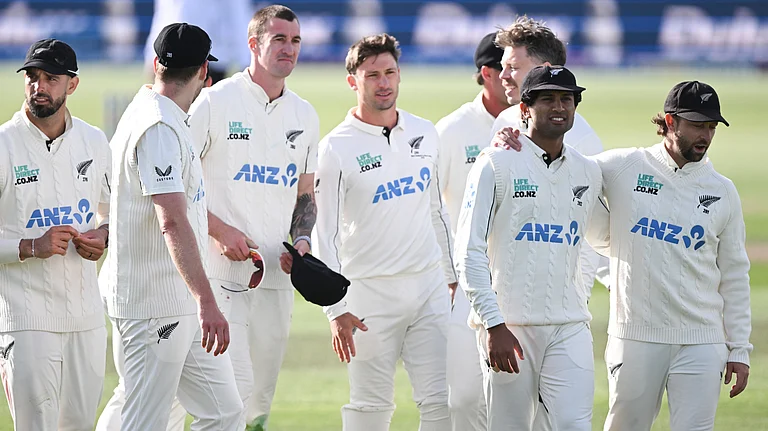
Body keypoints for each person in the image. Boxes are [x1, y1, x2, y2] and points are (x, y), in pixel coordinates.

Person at [585, 81, 752, 431]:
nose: (705, 136)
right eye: (697, 125)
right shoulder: (625, 166)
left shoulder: (722, 191)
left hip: (702, 340)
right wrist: (517, 143)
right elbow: (566, 170)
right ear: (670, 121)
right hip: (635, 336)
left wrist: (739, 348)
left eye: (711, 126)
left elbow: (735, 275)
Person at [100, 22, 242, 430]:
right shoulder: (158, 125)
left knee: (224, 412)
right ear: (204, 72)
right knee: (145, 421)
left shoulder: (157, 113)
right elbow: (173, 221)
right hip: (153, 305)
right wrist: (207, 300)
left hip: (179, 301)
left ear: (156, 62)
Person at [314, 33, 456, 431]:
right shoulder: (335, 147)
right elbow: (326, 235)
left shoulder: (425, 132)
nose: (384, 83)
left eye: (390, 73)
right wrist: (335, 309)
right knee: (370, 407)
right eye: (372, 75)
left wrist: (452, 278)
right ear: (352, 81)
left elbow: (437, 211)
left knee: (443, 402)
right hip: (368, 295)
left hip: (428, 288)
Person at [188, 4, 319, 429]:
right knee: (232, 397)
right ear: (253, 44)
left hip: (277, 279)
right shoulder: (214, 101)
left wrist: (302, 241)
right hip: (221, 278)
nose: (289, 48)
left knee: (259, 405)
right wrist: (220, 230)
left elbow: (305, 195)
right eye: (278, 39)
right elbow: (177, 188)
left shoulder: (305, 114)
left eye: (295, 40)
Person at [454, 65, 601, 431]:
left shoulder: (588, 170)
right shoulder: (495, 163)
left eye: (566, 99)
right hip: (510, 327)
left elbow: (596, 240)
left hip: (569, 325)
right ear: (524, 109)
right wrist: (493, 324)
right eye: (547, 99)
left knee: (574, 425)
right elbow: (468, 251)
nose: (559, 107)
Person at [0, 38, 110, 431]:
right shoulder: (4, 144)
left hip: (86, 317)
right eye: (32, 77)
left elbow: (113, 213)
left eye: (51, 78)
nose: (39, 86)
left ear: (72, 84)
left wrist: (104, 235)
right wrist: (31, 246)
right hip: (26, 318)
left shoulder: (94, 141)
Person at [489, 16, 608, 299]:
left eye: (513, 67)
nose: (502, 76)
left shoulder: (581, 141)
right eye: (503, 67)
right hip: (506, 291)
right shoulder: (505, 119)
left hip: (557, 300)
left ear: (543, 70)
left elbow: (587, 234)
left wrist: (578, 297)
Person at [434, 32, 509, 431]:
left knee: (520, 399)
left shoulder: (534, 124)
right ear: (487, 72)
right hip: (466, 282)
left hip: (519, 277)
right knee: (464, 398)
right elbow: (432, 208)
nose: (513, 77)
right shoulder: (452, 129)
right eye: (506, 68)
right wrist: (448, 274)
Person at [144, 0, 252, 83]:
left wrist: (245, 60)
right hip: (172, 51)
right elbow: (164, 12)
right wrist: (151, 53)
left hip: (210, 56)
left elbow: (236, 14)